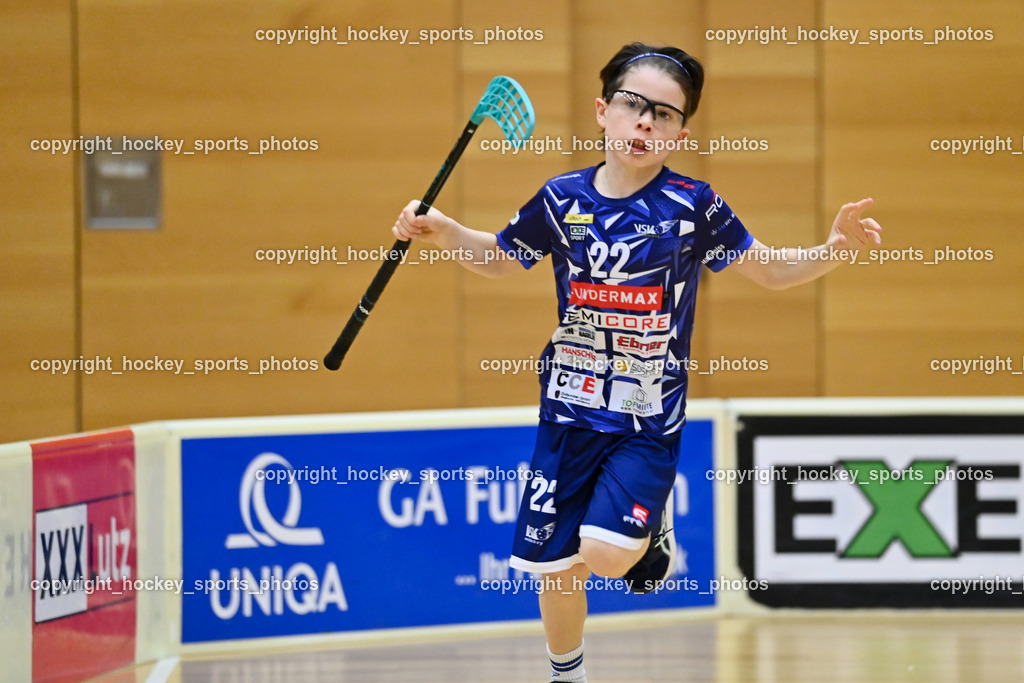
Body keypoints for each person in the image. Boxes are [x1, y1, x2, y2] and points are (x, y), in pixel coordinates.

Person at [393, 41, 882, 683]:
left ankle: (654, 525)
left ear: (681, 134)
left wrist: (834, 249)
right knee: (555, 568)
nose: (646, 122)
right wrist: (445, 231)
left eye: (665, 114)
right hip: (568, 410)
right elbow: (501, 257)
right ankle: (568, 676)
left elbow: (766, 268)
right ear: (603, 111)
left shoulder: (694, 205)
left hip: (646, 415)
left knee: (601, 554)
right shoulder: (561, 198)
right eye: (633, 105)